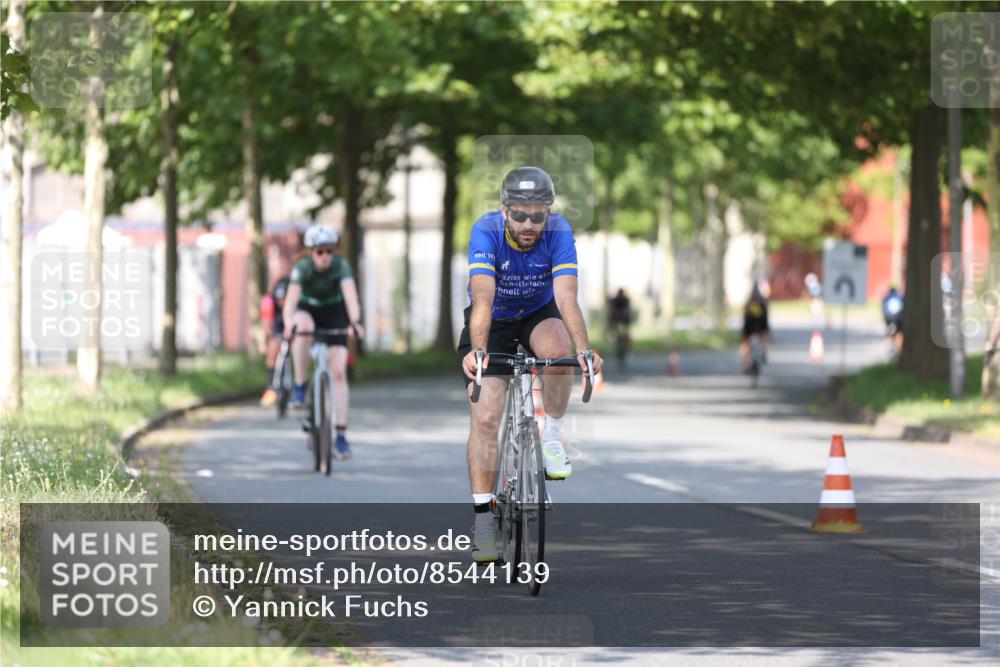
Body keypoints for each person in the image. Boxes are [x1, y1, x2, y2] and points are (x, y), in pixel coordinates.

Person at [458, 166, 604, 563]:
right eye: (519, 215)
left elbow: (567, 297)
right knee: (486, 419)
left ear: (548, 212)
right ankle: (484, 522)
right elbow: (483, 299)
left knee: (560, 355)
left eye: (537, 216)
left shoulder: (559, 232)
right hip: (495, 319)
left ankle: (552, 438)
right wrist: (478, 349)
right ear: (504, 211)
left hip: (538, 313)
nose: (528, 224)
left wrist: (585, 350)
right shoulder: (485, 231)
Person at [282, 224, 364, 459]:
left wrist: (355, 322)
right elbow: (290, 304)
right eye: (319, 252)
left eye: (329, 251)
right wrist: (289, 324)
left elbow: (351, 298)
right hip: (307, 310)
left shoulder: (341, 266)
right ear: (310, 252)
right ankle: (299, 386)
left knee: (338, 371)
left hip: (333, 312)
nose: (325, 256)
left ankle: (340, 436)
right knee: (303, 326)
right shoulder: (302, 268)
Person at [259, 275, 291, 407]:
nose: (282, 303)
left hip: (293, 322)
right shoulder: (269, 302)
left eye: (285, 300)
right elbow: (267, 326)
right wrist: (265, 342)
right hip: (278, 325)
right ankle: (272, 387)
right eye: (280, 300)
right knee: (273, 349)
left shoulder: (297, 300)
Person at [740, 278, 771, 372]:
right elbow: (765, 317)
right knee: (763, 337)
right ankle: (764, 351)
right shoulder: (763, 302)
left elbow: (745, 316)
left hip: (749, 327)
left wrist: (744, 329)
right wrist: (767, 328)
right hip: (760, 327)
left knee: (745, 344)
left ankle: (746, 364)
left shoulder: (748, 302)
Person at [607, 288, 631, 368]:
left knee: (624, 338)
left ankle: (624, 351)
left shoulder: (625, 300)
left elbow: (627, 312)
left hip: (624, 322)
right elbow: (612, 311)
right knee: (617, 339)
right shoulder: (615, 301)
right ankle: (619, 353)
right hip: (616, 322)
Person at [882, 285, 904, 351]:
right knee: (899, 332)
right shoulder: (900, 296)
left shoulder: (886, 297)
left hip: (888, 317)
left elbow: (883, 309)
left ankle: (889, 345)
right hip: (898, 317)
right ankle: (899, 347)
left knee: (888, 329)